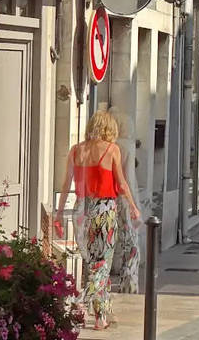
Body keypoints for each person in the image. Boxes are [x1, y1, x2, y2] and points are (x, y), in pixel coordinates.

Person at [57, 110, 140, 331]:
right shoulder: (112, 150)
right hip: (104, 210)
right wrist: (133, 207)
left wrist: (58, 214)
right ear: (109, 128)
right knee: (103, 265)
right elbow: (121, 184)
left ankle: (101, 317)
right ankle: (79, 302)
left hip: (81, 211)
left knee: (93, 264)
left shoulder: (76, 151)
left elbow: (66, 184)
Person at [110, 110, 141, 293]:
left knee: (114, 239)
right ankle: (129, 281)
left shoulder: (109, 145)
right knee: (131, 240)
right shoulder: (127, 146)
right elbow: (128, 178)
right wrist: (133, 203)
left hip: (107, 198)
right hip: (124, 197)